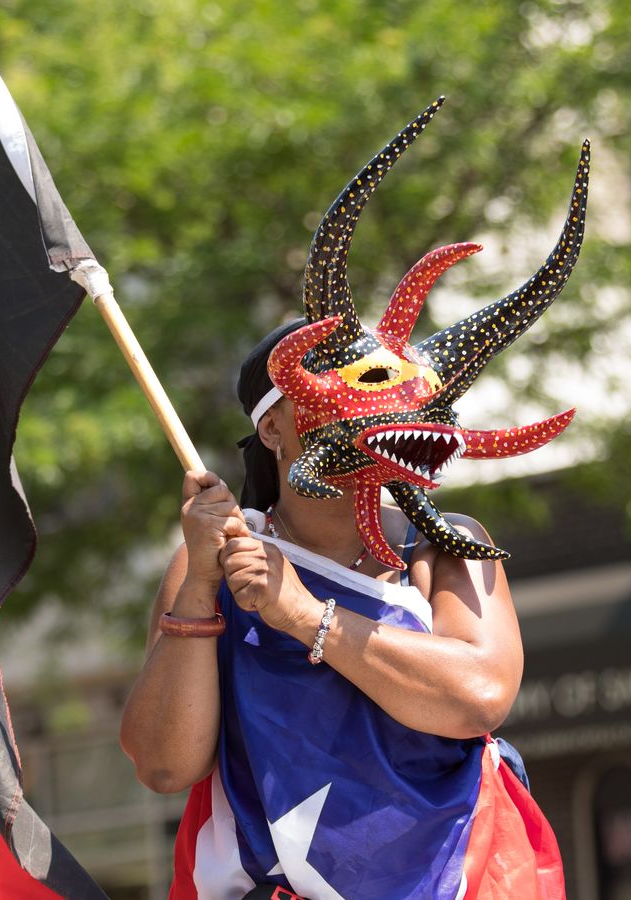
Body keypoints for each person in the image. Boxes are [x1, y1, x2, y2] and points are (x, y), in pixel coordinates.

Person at [120, 98, 587, 898]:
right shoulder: (220, 561)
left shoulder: (447, 547)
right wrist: (202, 585)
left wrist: (306, 618)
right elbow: (163, 765)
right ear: (275, 432)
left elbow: (478, 696)